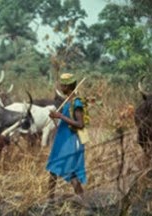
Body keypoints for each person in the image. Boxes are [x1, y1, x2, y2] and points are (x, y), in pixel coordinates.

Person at [46, 73, 87, 201]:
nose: (60, 87)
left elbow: (80, 124)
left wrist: (60, 116)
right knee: (53, 169)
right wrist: (55, 118)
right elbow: (65, 122)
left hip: (70, 142)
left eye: (62, 85)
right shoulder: (68, 101)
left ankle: (84, 201)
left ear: (67, 86)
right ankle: (49, 200)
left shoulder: (76, 102)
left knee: (70, 172)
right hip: (62, 141)